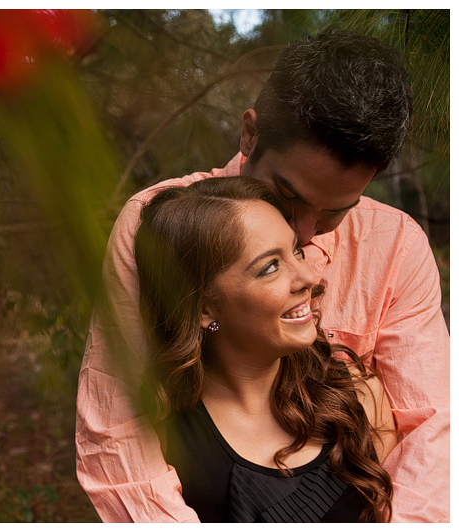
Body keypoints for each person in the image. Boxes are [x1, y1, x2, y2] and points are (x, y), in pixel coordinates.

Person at [75, 31, 449, 522]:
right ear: (250, 133)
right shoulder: (156, 222)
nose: (305, 233)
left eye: (335, 212)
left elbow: (433, 428)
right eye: (286, 196)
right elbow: (117, 428)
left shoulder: (397, 244)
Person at [134, 176, 396, 522]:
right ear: (202, 309)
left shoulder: (358, 394)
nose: (307, 278)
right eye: (270, 266)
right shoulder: (163, 435)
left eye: (296, 251)